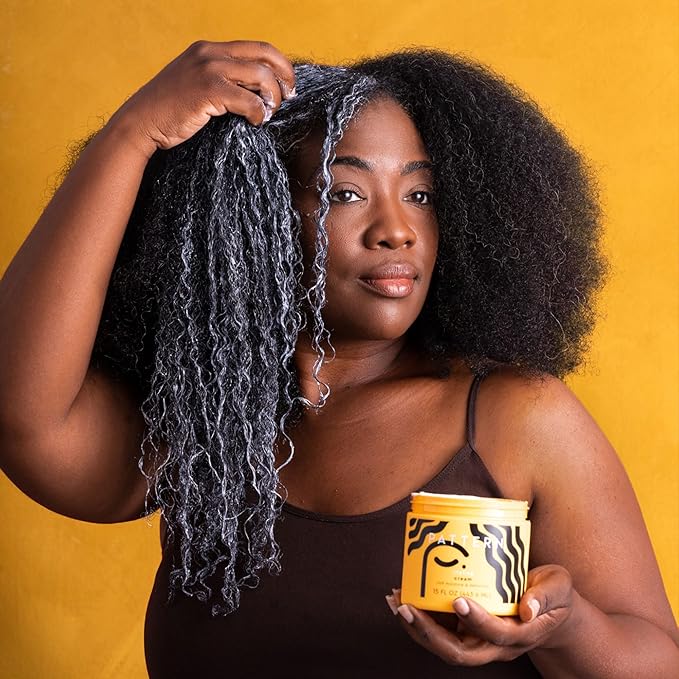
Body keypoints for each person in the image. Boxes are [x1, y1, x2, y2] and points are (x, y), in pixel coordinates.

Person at [0, 40, 677, 678]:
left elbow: (658, 660)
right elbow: (22, 418)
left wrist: (565, 627)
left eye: (419, 195)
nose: (396, 229)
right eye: (343, 193)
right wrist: (132, 135)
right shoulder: (211, 427)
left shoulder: (515, 417)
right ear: (253, 214)